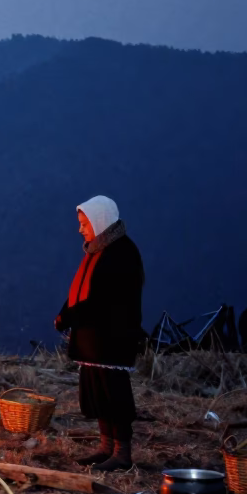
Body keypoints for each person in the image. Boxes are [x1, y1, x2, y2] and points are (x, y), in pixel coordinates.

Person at [55, 196, 145, 472]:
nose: (80, 229)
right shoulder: (97, 251)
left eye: (84, 224)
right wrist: (64, 314)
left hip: (112, 338)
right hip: (93, 340)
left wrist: (70, 316)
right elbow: (81, 291)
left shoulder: (122, 253)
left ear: (100, 221)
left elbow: (104, 299)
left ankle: (122, 453)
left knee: (114, 394)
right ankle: (106, 447)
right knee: (98, 394)